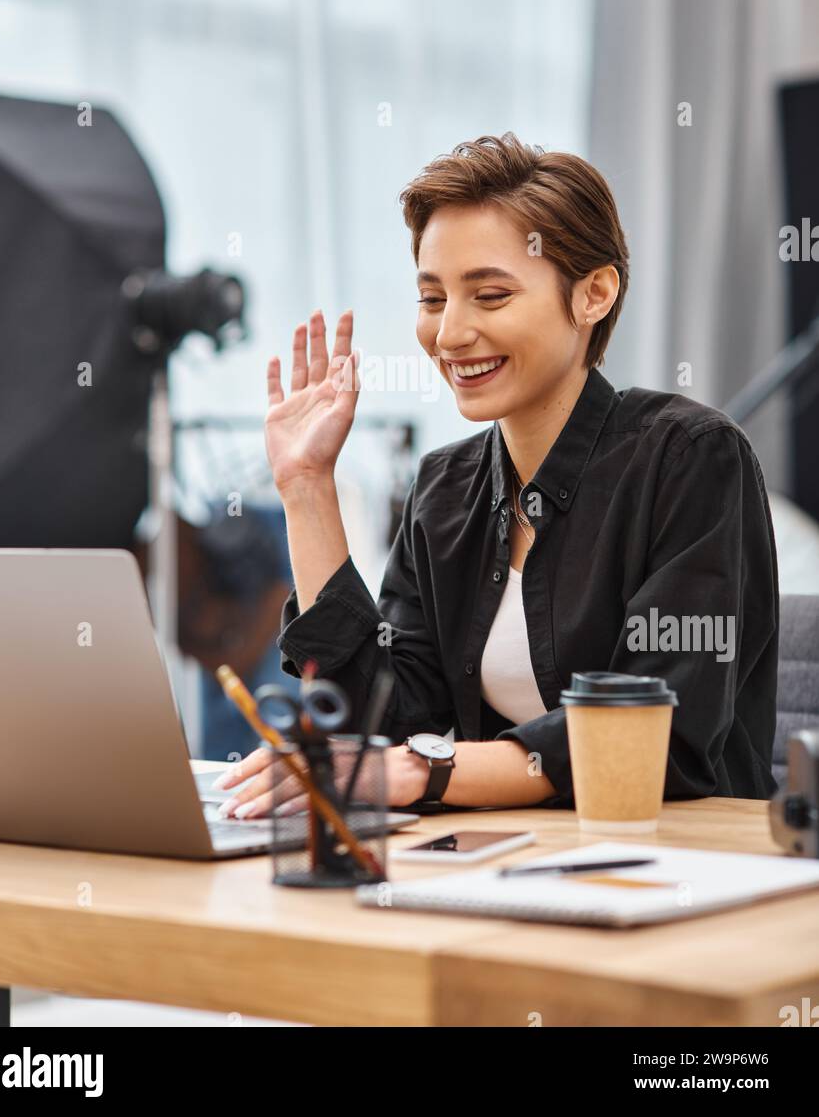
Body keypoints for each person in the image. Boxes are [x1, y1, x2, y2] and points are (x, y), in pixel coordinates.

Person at [216, 133, 779, 819]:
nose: (449, 334)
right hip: (516, 859)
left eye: (488, 294)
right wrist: (305, 488)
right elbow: (381, 724)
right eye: (432, 299)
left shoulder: (690, 458)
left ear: (593, 294)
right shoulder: (444, 490)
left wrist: (421, 772)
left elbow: (657, 734)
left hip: (692, 862)